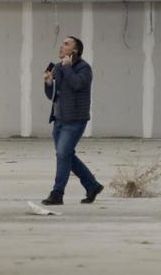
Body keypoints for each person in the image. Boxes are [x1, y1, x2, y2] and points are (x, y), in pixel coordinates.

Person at [41, 36, 103, 205]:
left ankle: (57, 193)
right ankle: (92, 185)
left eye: (66, 44)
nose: (61, 46)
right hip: (59, 119)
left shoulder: (84, 68)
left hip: (75, 120)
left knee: (63, 154)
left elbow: (76, 84)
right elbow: (53, 96)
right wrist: (48, 83)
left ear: (75, 51)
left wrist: (67, 68)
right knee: (66, 155)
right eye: (62, 43)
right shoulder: (59, 67)